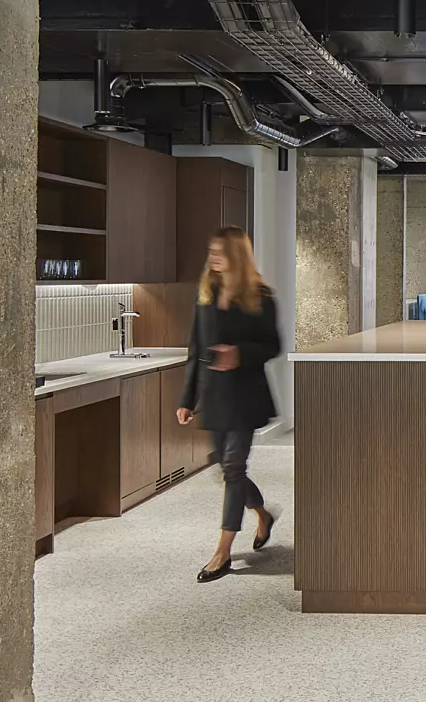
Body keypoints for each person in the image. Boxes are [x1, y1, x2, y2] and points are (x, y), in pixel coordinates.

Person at [177, 226, 282, 583]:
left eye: (220, 251)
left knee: (234, 468)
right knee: (227, 468)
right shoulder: (206, 293)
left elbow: (273, 345)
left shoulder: (260, 295)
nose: (214, 257)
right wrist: (187, 398)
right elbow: (195, 348)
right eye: (212, 251)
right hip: (214, 395)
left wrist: (239, 354)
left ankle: (222, 552)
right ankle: (263, 515)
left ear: (237, 254)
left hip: (246, 393)